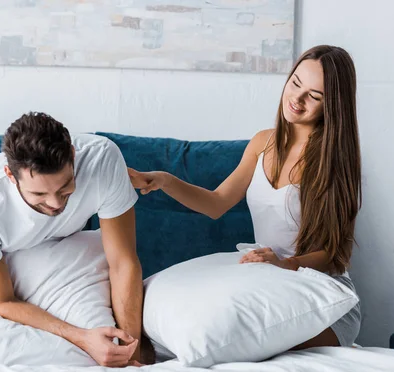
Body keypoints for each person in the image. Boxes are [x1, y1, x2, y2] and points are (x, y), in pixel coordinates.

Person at [128, 45, 362, 349]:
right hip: (268, 277)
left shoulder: (334, 160)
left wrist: (285, 264)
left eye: (314, 96)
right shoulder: (263, 142)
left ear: (334, 105)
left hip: (320, 294)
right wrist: (164, 181)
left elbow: (336, 252)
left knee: (236, 344)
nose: (297, 99)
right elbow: (216, 203)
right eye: (295, 83)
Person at [0, 112, 144, 366]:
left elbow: (123, 262)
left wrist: (129, 353)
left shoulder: (102, 158)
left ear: (72, 155)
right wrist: (82, 338)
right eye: (39, 194)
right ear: (10, 176)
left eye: (65, 187)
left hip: (59, 256)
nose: (56, 203)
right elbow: (1, 301)